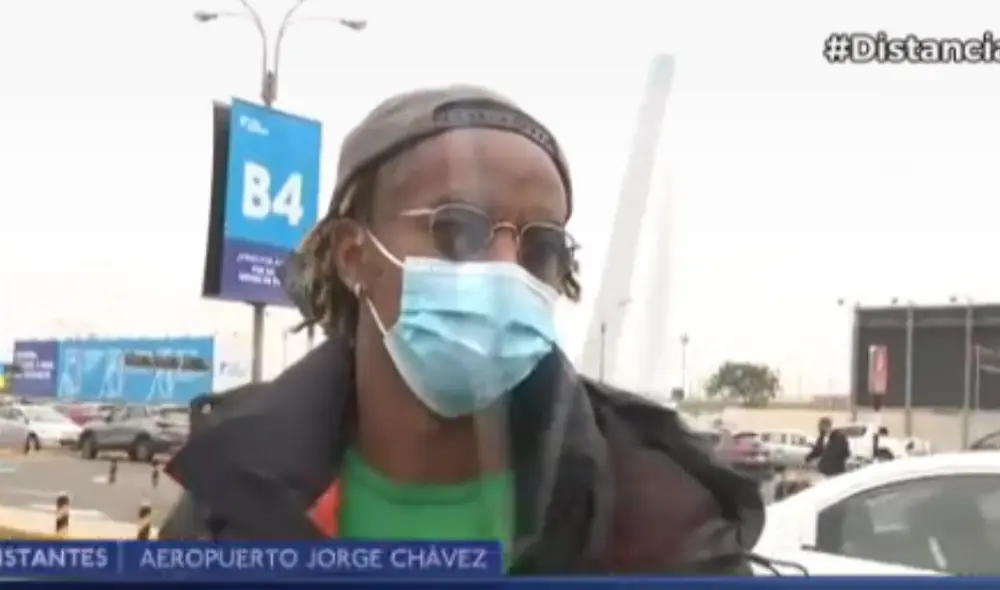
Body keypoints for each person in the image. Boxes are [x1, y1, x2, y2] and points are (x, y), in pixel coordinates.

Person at [160, 86, 765, 573]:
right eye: (458, 231)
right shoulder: (232, 499)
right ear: (352, 255)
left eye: (541, 248)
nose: (506, 270)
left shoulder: (660, 517)